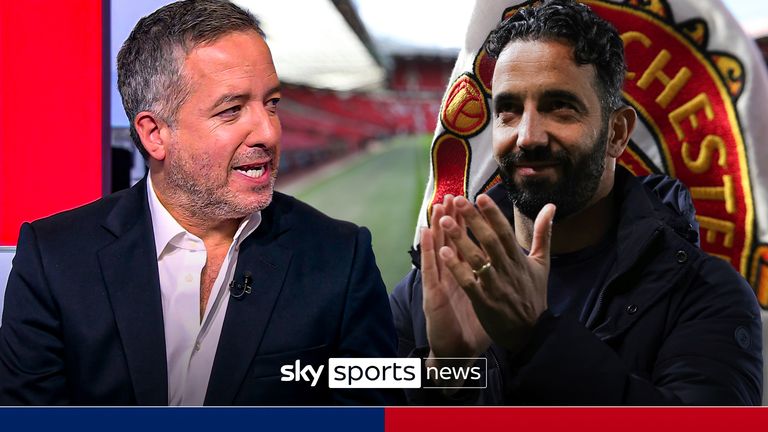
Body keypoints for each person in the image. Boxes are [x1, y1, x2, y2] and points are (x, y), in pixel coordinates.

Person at [0, 0, 399, 406]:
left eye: (272, 103)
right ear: (155, 134)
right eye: (232, 110)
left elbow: (375, 414)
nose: (268, 131)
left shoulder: (341, 257)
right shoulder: (54, 258)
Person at [391, 0, 763, 405]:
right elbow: (348, 400)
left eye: (559, 108)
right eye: (509, 111)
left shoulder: (704, 293)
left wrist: (536, 340)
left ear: (617, 133)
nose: (528, 135)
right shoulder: (435, 283)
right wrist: (442, 369)